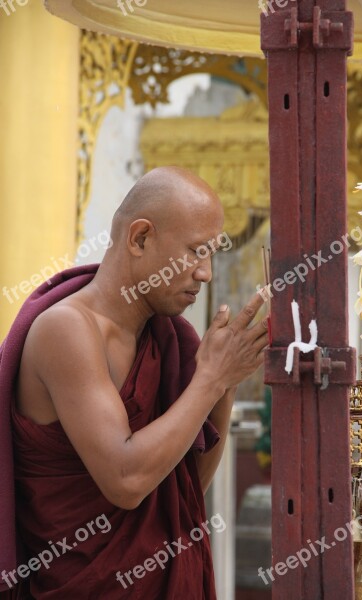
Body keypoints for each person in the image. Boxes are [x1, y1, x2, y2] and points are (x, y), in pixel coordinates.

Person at [1, 166, 268, 599]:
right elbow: (126, 481)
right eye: (197, 252)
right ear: (140, 238)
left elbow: (184, 492)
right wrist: (211, 377)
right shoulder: (68, 331)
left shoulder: (170, 340)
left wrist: (224, 383)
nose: (206, 274)